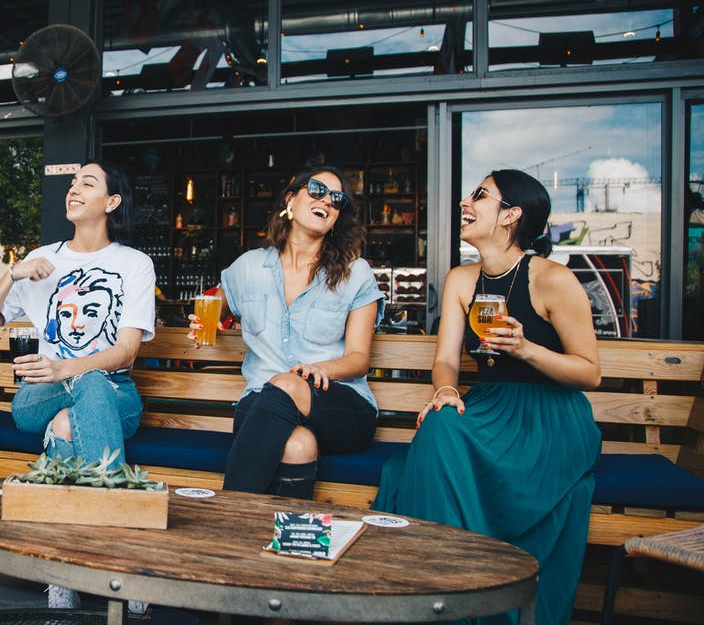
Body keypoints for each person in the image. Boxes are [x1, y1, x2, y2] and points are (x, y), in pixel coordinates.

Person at [373, 169, 602, 625]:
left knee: (435, 446)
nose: (465, 202)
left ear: (511, 215)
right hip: (489, 406)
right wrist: (444, 391)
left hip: (548, 418)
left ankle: (482, 599)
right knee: (439, 426)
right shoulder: (462, 280)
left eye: (479, 195)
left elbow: (590, 372)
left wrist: (527, 349)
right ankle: (440, 602)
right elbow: (447, 361)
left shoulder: (553, 279)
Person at [0, 160, 155, 613]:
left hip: (114, 393)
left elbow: (126, 352)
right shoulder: (40, 260)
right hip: (37, 398)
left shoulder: (133, 265)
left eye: (87, 183)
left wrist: (68, 368)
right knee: (78, 388)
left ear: (111, 202)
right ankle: (121, 556)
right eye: (72, 183)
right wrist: (12, 273)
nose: (74, 189)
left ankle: (62, 576)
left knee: (71, 423)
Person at [218, 166, 384, 500]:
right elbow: (212, 308)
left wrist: (321, 369)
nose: (328, 200)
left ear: (336, 218)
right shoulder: (247, 268)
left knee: (289, 382)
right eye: (318, 189)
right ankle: (289, 543)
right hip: (262, 404)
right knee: (297, 445)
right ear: (291, 199)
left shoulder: (356, 273)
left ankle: (226, 515)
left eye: (337, 200)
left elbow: (358, 359)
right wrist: (204, 322)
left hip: (338, 404)